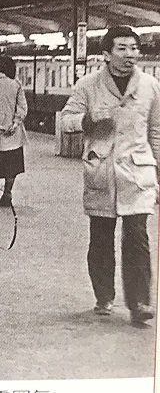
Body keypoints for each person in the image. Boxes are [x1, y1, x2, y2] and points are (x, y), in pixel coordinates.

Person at [60, 26, 160, 325]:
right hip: (101, 172)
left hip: (137, 173)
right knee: (101, 239)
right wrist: (87, 120)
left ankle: (140, 302)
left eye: (134, 48)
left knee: (137, 236)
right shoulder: (88, 85)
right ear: (106, 54)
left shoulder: (151, 86)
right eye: (122, 48)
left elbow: (156, 132)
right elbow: (66, 121)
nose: (130, 54)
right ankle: (104, 295)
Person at [0, 54, 28, 208]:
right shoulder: (16, 84)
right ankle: (7, 195)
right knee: (12, 168)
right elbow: (22, 107)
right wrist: (15, 124)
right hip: (13, 136)